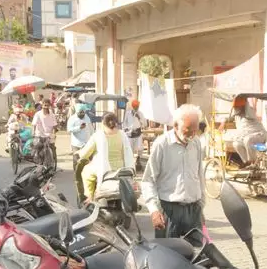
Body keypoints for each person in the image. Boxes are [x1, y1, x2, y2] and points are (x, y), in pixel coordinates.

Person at [141, 104, 205, 239]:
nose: (193, 134)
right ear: (176, 126)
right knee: (168, 255)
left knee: (197, 256)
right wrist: (154, 211)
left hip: (194, 211)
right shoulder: (162, 144)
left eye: (196, 130)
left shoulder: (197, 143)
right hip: (169, 211)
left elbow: (199, 174)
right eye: (188, 130)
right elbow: (148, 180)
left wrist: (201, 205)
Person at [77, 112, 134, 205]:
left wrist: (79, 153)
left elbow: (85, 154)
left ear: (103, 123)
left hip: (104, 169)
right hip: (122, 168)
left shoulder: (98, 135)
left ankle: (90, 197)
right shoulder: (122, 134)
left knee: (85, 172)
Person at [222, 95, 267, 166]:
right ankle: (247, 164)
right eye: (235, 107)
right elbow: (230, 117)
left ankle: (253, 163)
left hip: (260, 136)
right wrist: (223, 121)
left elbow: (245, 132)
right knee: (236, 144)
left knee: (247, 140)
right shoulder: (237, 115)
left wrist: (245, 100)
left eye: (238, 107)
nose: (237, 108)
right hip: (249, 140)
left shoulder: (250, 113)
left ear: (243, 106)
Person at [67, 102, 92, 175]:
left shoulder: (87, 117)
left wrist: (92, 137)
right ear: (77, 112)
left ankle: (86, 174)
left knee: (88, 160)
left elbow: (91, 128)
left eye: (83, 112)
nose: (81, 114)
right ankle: (76, 175)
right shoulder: (72, 119)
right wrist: (79, 128)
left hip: (86, 142)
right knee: (76, 160)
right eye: (80, 113)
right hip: (76, 143)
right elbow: (69, 130)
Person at [123, 99, 145, 170]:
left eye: (137, 107)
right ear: (132, 106)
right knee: (130, 150)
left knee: (140, 148)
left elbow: (145, 124)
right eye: (135, 106)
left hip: (138, 133)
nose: (136, 108)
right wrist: (126, 129)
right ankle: (130, 165)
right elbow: (124, 123)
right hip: (130, 134)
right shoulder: (127, 113)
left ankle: (138, 161)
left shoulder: (140, 114)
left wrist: (139, 118)